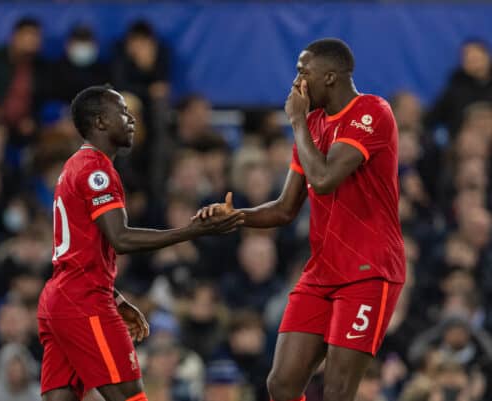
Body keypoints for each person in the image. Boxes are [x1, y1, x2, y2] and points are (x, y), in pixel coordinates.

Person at [194, 38, 405, 401]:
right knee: (282, 384)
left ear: (330, 77)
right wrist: (235, 217)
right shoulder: (312, 127)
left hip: (369, 271)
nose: (297, 83)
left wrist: (295, 122)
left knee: (337, 391)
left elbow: (323, 180)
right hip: (322, 272)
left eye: (303, 72)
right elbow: (284, 209)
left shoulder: (372, 111)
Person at [36, 85, 245, 401]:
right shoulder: (97, 170)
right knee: (129, 394)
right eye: (122, 111)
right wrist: (192, 230)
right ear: (100, 122)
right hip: (83, 301)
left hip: (62, 297)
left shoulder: (73, 167)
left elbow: (85, 250)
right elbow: (120, 238)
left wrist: (117, 299)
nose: (132, 119)